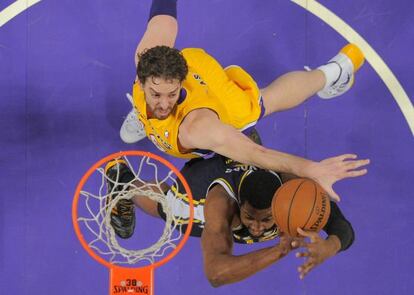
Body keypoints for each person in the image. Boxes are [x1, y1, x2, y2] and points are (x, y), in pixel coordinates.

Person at [118, 0, 369, 202]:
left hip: (218, 99)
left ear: (181, 83)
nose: (164, 104)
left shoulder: (198, 128)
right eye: (155, 95)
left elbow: (255, 153)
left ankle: (336, 71)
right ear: (141, 82)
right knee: (159, 56)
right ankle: (145, 117)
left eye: (171, 95)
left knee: (265, 101)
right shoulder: (147, 59)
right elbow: (163, 20)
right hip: (190, 65)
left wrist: (309, 169)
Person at [105, 153, 355, 286]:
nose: (256, 228)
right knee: (172, 210)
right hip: (207, 183)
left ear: (279, 207)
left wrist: (330, 247)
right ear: (239, 205)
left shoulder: (297, 196)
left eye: (266, 220)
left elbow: (342, 227)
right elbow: (215, 273)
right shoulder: (220, 206)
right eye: (250, 218)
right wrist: (277, 251)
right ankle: (123, 180)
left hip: (253, 165)